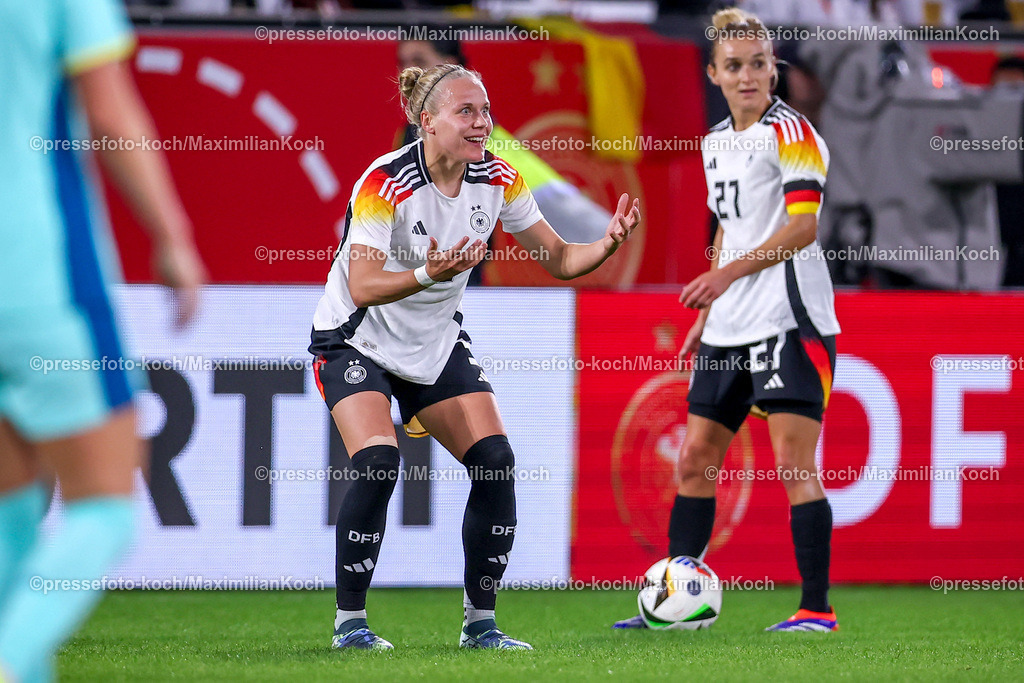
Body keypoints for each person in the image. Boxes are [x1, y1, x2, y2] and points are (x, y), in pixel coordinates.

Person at [310, 62, 640, 650]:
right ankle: (350, 625)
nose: (482, 123)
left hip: (433, 346)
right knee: (379, 464)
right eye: (466, 111)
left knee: (495, 461)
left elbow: (560, 260)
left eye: (485, 111)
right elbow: (360, 285)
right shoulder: (383, 185)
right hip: (356, 338)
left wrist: (606, 244)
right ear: (425, 121)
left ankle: (480, 626)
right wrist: (427, 271)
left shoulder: (499, 178)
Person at [613, 7, 841, 633]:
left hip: (790, 318)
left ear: (774, 69)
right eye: (735, 66)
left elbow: (802, 226)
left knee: (795, 464)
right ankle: (675, 600)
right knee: (694, 460)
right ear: (713, 72)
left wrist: (726, 278)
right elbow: (726, 231)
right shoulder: (715, 142)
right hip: (729, 325)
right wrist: (711, 310)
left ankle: (815, 610)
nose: (749, 76)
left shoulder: (793, 133)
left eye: (760, 65)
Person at [0, 0, 205, 680]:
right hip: (36, 272)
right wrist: (172, 238)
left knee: (14, 509)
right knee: (105, 507)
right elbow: (110, 113)